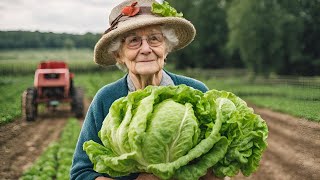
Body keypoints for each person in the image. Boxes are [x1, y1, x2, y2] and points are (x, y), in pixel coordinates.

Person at [70, 0, 214, 179]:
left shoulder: (196, 91)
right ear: (119, 55)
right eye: (133, 41)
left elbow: (217, 164)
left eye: (154, 39)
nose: (146, 49)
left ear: (166, 47)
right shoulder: (106, 99)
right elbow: (81, 173)